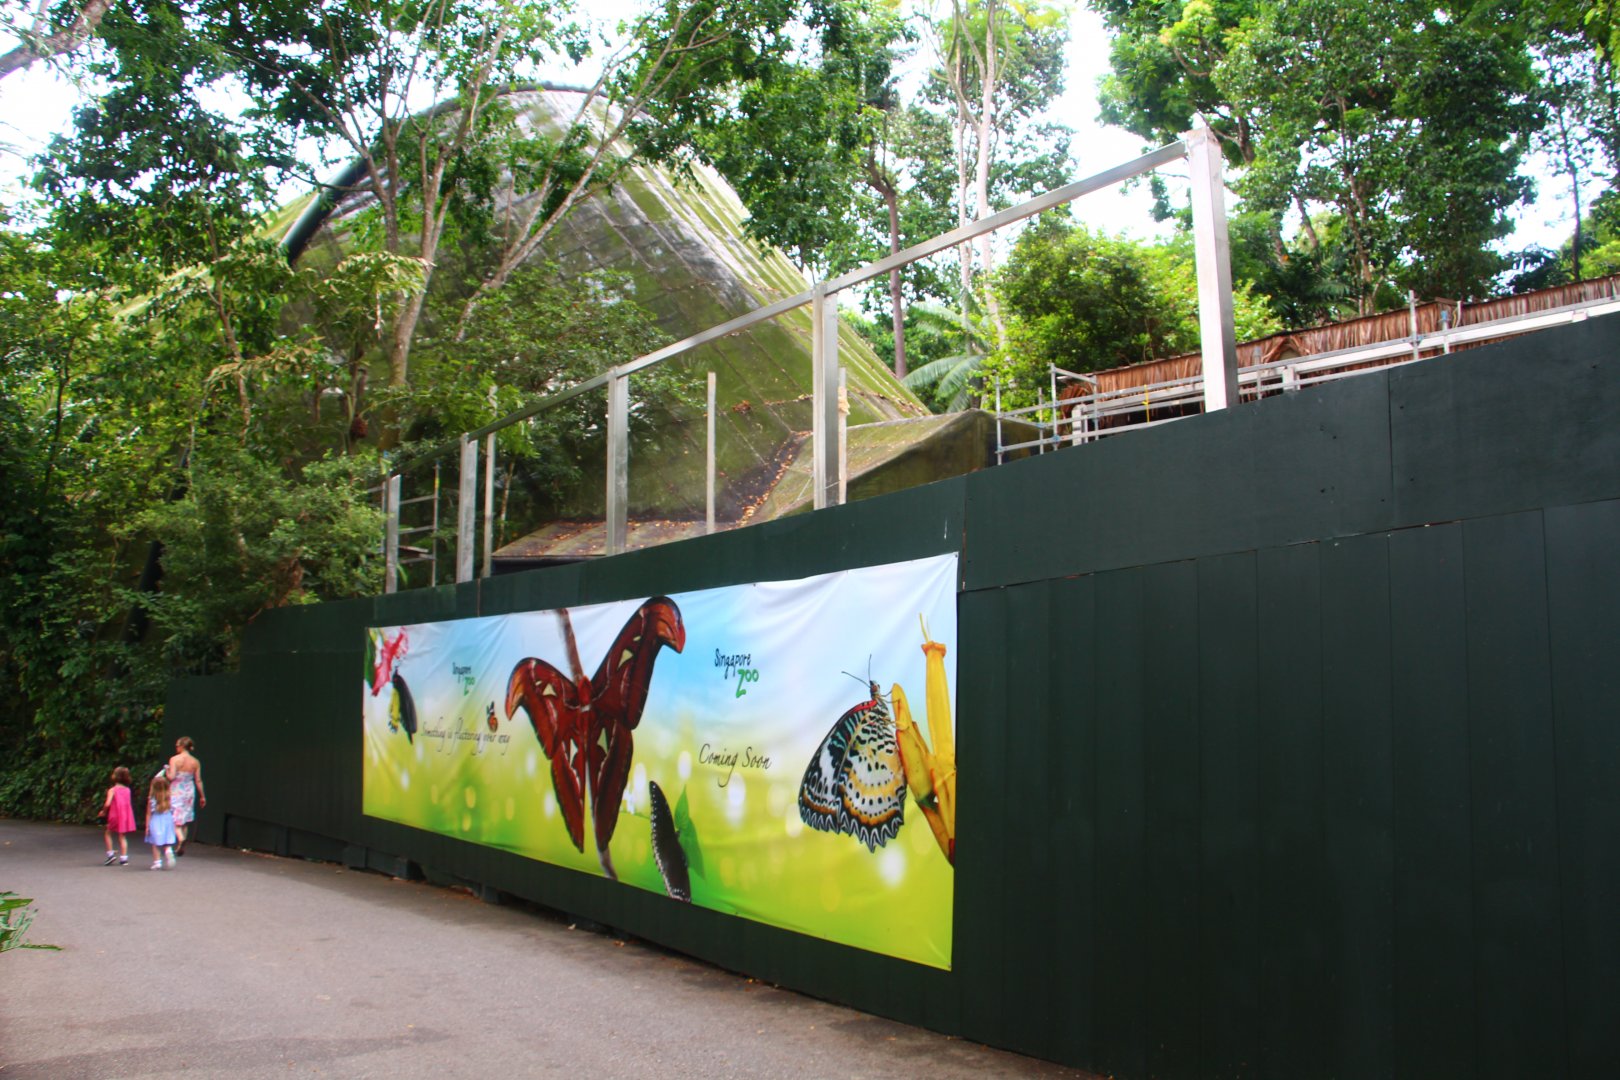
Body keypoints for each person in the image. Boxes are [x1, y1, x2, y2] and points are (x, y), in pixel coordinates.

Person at [166, 736, 206, 855]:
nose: (176, 747)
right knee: (185, 818)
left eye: (177, 745)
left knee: (174, 818)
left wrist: (167, 771)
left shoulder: (174, 759)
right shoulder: (195, 762)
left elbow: (172, 777)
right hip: (189, 790)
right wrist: (202, 796)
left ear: (182, 746)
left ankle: (180, 839)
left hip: (177, 790)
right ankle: (180, 845)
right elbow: (198, 780)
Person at [100, 767, 136, 865]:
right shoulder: (128, 790)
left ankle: (110, 854)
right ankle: (124, 858)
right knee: (122, 836)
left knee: (108, 833)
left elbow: (107, 803)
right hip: (124, 815)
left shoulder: (112, 790)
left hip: (114, 815)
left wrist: (103, 811)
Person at [145, 773, 177, 871]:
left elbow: (148, 813)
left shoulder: (152, 800)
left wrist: (147, 827)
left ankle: (157, 862)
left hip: (156, 820)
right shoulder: (169, 798)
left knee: (155, 843)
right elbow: (173, 810)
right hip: (167, 819)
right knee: (166, 840)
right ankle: (168, 851)